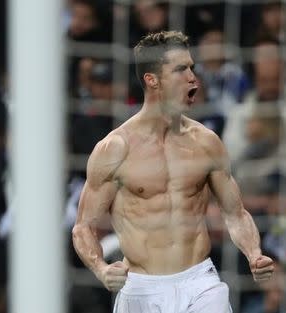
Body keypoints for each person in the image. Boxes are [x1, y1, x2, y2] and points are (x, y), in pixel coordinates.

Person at [72, 30, 274, 312]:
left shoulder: (207, 142)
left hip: (201, 283)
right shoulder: (115, 148)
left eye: (192, 67)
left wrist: (254, 253)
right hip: (140, 289)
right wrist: (101, 269)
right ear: (152, 80)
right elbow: (83, 227)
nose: (193, 77)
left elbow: (235, 213)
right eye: (181, 69)